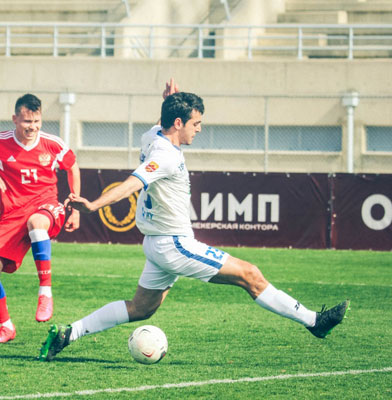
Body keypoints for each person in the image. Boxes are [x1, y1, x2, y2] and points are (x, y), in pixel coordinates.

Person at [38, 79, 349, 361]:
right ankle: (315, 322)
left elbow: (159, 125)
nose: (199, 129)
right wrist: (94, 205)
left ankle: (68, 334)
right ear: (178, 123)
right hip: (174, 244)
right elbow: (132, 183)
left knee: (141, 308)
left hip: (157, 243)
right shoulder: (165, 155)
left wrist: (169, 102)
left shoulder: (152, 136)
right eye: (196, 123)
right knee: (250, 275)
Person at [0, 93, 81, 344]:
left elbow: (72, 167)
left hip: (46, 205)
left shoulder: (52, 144)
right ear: (15, 119)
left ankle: (45, 292)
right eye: (27, 122)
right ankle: (6, 327)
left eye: (37, 121)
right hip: (12, 215)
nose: (32, 127)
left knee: (36, 222)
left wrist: (75, 208)